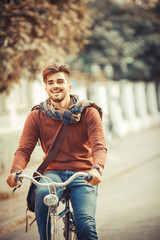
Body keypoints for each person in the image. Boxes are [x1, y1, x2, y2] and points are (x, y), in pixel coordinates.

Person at [6, 63, 107, 240]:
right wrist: (16, 171)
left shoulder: (89, 112)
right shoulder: (36, 116)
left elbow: (99, 145)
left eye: (60, 81)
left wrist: (97, 168)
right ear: (46, 88)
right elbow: (24, 149)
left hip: (83, 174)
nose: (55, 86)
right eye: (50, 82)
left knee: (85, 224)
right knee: (44, 193)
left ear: (69, 86)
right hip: (52, 173)